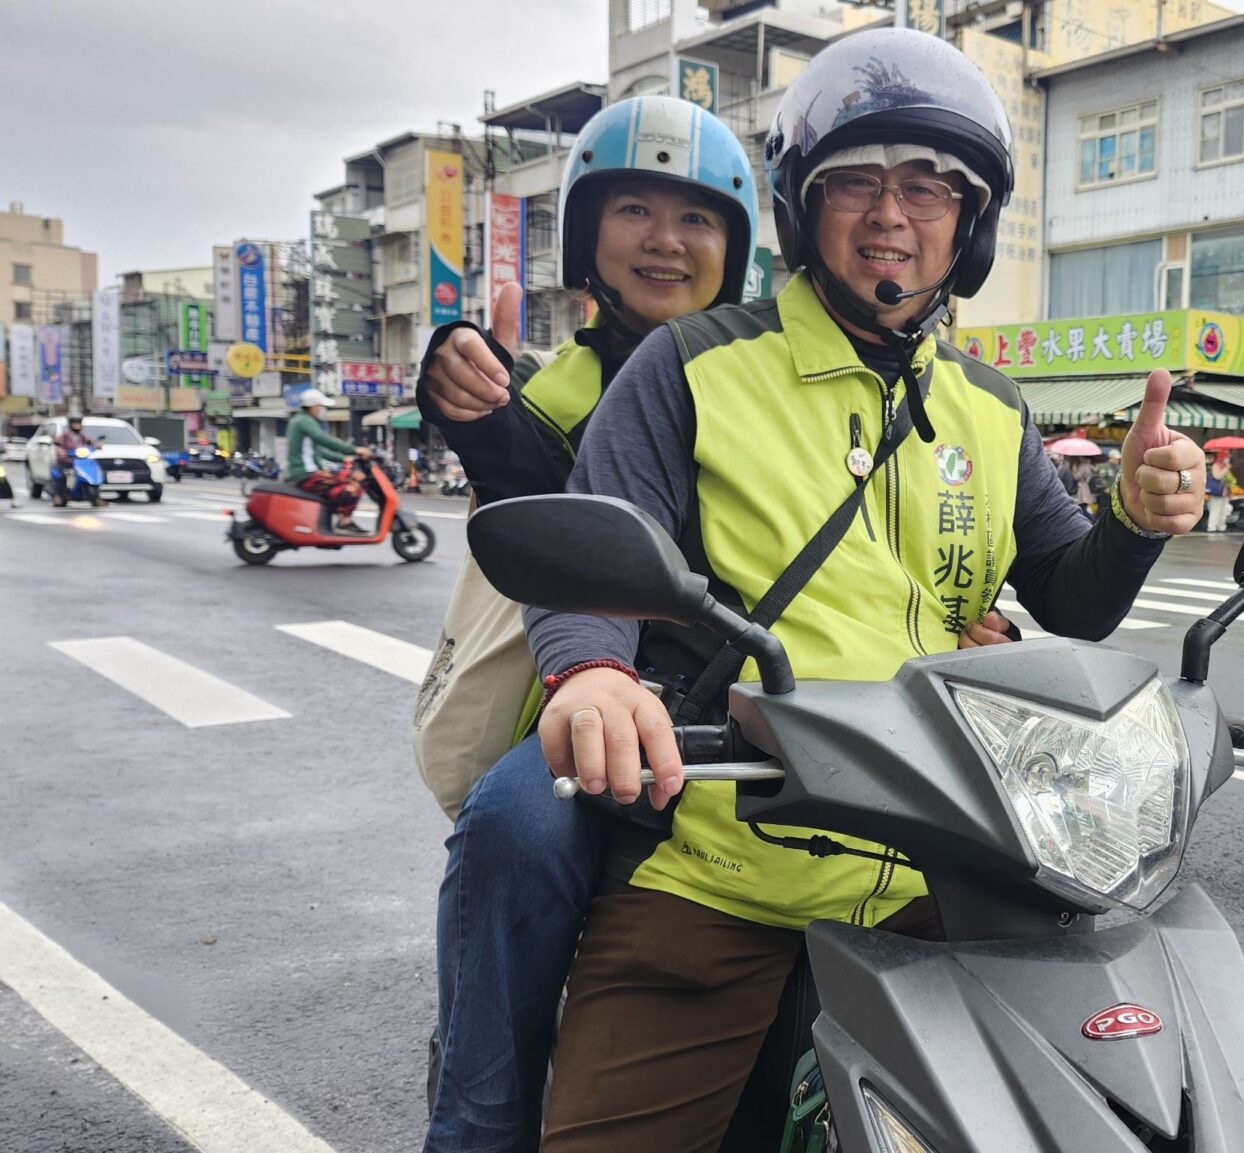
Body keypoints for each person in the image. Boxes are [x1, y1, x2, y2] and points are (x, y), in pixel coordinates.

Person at [525, 29, 1204, 1152]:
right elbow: (594, 551)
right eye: (855, 182)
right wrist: (592, 674)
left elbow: (1072, 603)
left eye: (929, 185)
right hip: (723, 871)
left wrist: (1131, 516)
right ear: (805, 208)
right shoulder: (693, 366)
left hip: (949, 873)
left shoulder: (990, 408)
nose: (892, 213)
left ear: (970, 221)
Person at [415, 96, 770, 1153]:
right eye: (633, 209)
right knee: (515, 824)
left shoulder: (773, 376)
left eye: (696, 218)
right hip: (600, 703)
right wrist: (465, 395)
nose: (664, 240)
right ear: (585, 235)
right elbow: (526, 483)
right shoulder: (550, 393)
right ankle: (477, 1121)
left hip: (780, 695)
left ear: (735, 246)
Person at [285, 389, 369, 531]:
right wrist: (354, 449)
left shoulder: (299, 420)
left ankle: (331, 518)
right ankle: (345, 522)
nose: (323, 410)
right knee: (356, 480)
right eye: (321, 406)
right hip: (306, 474)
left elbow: (319, 450)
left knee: (342, 481)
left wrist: (344, 458)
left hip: (305, 473)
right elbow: (324, 439)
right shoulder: (305, 421)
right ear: (313, 406)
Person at [49, 415, 103, 508]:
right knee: (61, 475)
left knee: (94, 471)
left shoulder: (82, 437)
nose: (77, 425)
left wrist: (96, 445)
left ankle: (97, 498)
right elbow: (58, 446)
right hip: (66, 461)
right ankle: (59, 497)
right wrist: (62, 452)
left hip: (80, 461)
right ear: (70, 424)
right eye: (75, 423)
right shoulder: (64, 436)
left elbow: (91, 442)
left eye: (78, 423)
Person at [1207, 452, 1231, 532]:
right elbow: (1217, 476)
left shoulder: (1224, 466)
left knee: (1224, 510)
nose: (1227, 459)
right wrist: (1226, 469)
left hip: (1224, 491)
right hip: (1217, 491)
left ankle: (1221, 526)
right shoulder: (1216, 465)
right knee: (1215, 509)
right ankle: (1212, 526)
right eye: (1226, 457)